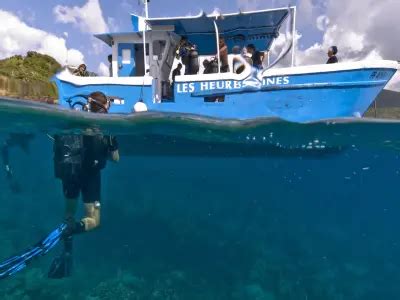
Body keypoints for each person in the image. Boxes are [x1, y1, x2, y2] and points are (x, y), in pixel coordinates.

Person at [48, 91, 119, 279]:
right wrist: (112, 145)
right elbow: (116, 159)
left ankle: (67, 245)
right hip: (90, 177)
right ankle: (71, 230)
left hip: (69, 174)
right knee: (93, 221)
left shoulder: (73, 121)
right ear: (105, 106)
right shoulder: (105, 128)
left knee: (69, 214)